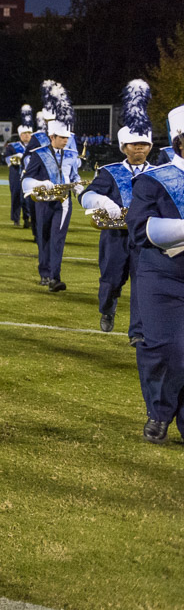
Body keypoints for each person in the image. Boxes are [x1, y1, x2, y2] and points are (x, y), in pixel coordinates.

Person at [126, 103, 184, 443]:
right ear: (179, 141)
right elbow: (139, 228)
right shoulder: (154, 180)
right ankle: (160, 411)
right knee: (165, 346)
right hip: (162, 274)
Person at [80, 80, 153, 341]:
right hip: (115, 239)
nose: (140, 148)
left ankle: (138, 332)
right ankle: (107, 308)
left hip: (147, 240)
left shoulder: (159, 174)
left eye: (144, 144)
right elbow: (86, 195)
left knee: (143, 286)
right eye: (134, 144)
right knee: (111, 282)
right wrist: (103, 203)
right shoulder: (110, 171)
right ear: (124, 147)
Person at [22, 83, 83, 292]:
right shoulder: (39, 154)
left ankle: (55, 277)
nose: (66, 141)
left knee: (58, 238)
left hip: (64, 202)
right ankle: (44, 272)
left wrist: (80, 190)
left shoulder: (72, 155)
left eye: (67, 137)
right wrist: (41, 184)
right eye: (62, 137)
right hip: (43, 201)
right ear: (52, 137)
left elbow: (74, 175)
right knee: (44, 237)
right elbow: (26, 179)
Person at [4, 107, 35, 228]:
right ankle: (16, 219)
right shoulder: (12, 146)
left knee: (28, 198)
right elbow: (6, 158)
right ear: (20, 135)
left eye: (28, 133)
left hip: (30, 176)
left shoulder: (35, 147)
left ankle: (28, 218)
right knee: (16, 197)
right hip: (16, 175)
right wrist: (14, 158)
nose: (27, 135)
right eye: (24, 134)